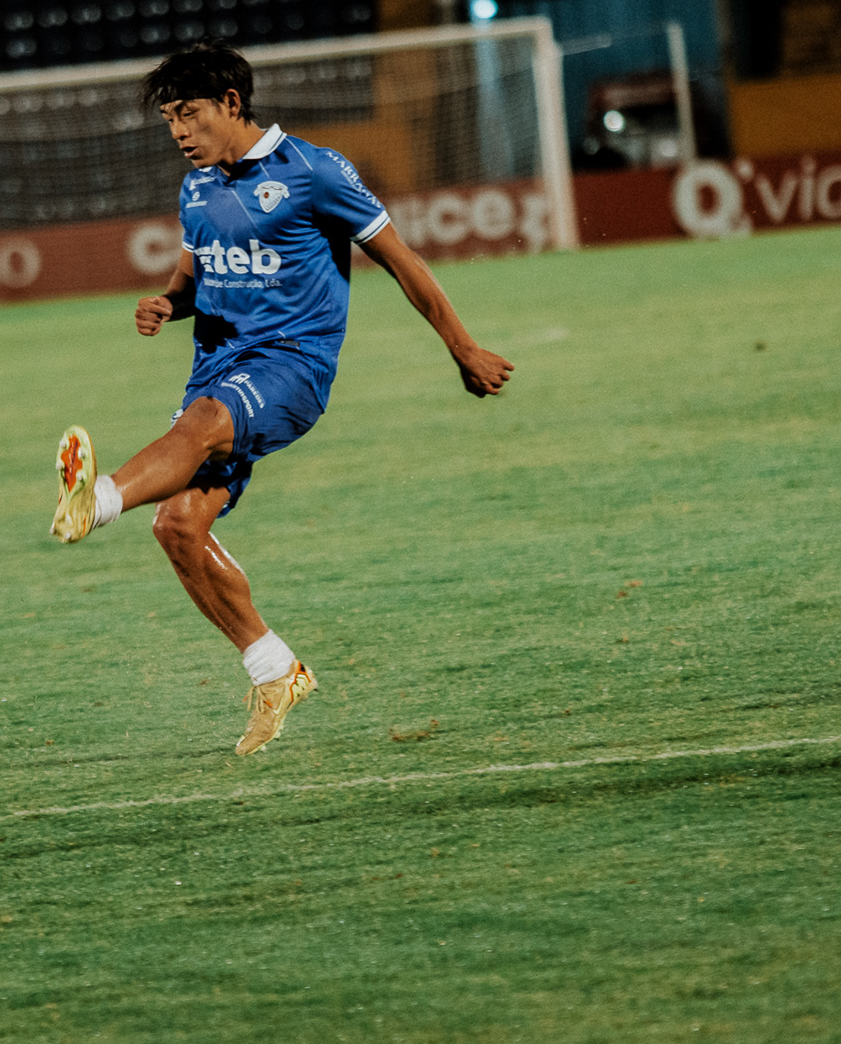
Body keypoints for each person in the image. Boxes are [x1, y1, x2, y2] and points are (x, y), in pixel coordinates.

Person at [50, 43, 512, 754]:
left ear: (232, 103)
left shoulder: (313, 171)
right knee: (178, 526)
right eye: (170, 120)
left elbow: (403, 261)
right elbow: (194, 276)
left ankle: (100, 500)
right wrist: (167, 305)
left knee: (203, 425)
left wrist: (464, 347)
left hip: (292, 366)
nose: (179, 132)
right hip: (218, 367)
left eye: (190, 114)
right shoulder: (196, 187)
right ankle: (274, 669)